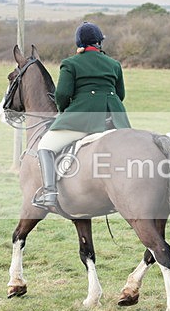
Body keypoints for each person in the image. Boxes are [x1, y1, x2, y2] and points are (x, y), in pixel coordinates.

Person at [33, 22, 132, 210]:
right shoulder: (114, 64)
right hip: (115, 120)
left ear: (79, 43)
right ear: (99, 42)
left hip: (83, 120)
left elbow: (61, 95)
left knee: (45, 146)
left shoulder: (70, 64)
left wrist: (65, 111)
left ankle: (50, 193)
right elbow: (120, 95)